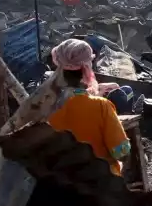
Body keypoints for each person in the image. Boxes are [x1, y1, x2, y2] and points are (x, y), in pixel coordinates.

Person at [47, 39, 130, 177]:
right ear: (86, 67)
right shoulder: (101, 106)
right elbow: (121, 152)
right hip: (98, 183)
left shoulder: (44, 105)